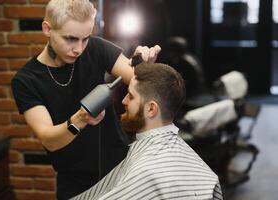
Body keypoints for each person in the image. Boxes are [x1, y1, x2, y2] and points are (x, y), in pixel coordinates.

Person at [11, 0, 161, 199]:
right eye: (70, 39)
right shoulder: (26, 81)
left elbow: (135, 76)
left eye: (85, 39)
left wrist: (144, 66)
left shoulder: (96, 49)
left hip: (120, 169)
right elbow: (48, 139)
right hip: (75, 183)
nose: (79, 49)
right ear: (47, 29)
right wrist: (80, 119)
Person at [71, 63, 223, 200]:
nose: (124, 101)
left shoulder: (147, 172)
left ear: (151, 109)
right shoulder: (202, 169)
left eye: (130, 96)